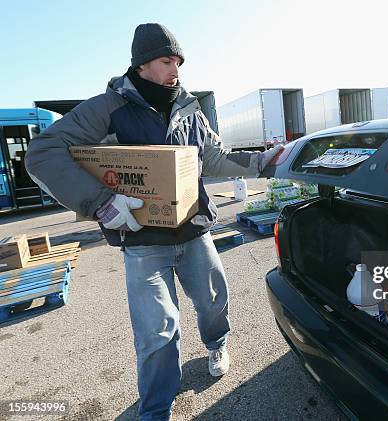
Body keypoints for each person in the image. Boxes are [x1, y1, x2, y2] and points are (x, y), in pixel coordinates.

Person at [25, 23, 283, 421]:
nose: (175, 68)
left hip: (195, 232)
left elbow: (213, 158)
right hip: (142, 241)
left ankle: (217, 344)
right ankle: (156, 411)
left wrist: (262, 162)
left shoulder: (188, 107)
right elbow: (42, 152)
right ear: (143, 64)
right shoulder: (107, 108)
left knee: (213, 303)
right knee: (157, 334)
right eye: (166, 60)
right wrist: (101, 203)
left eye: (178, 61)